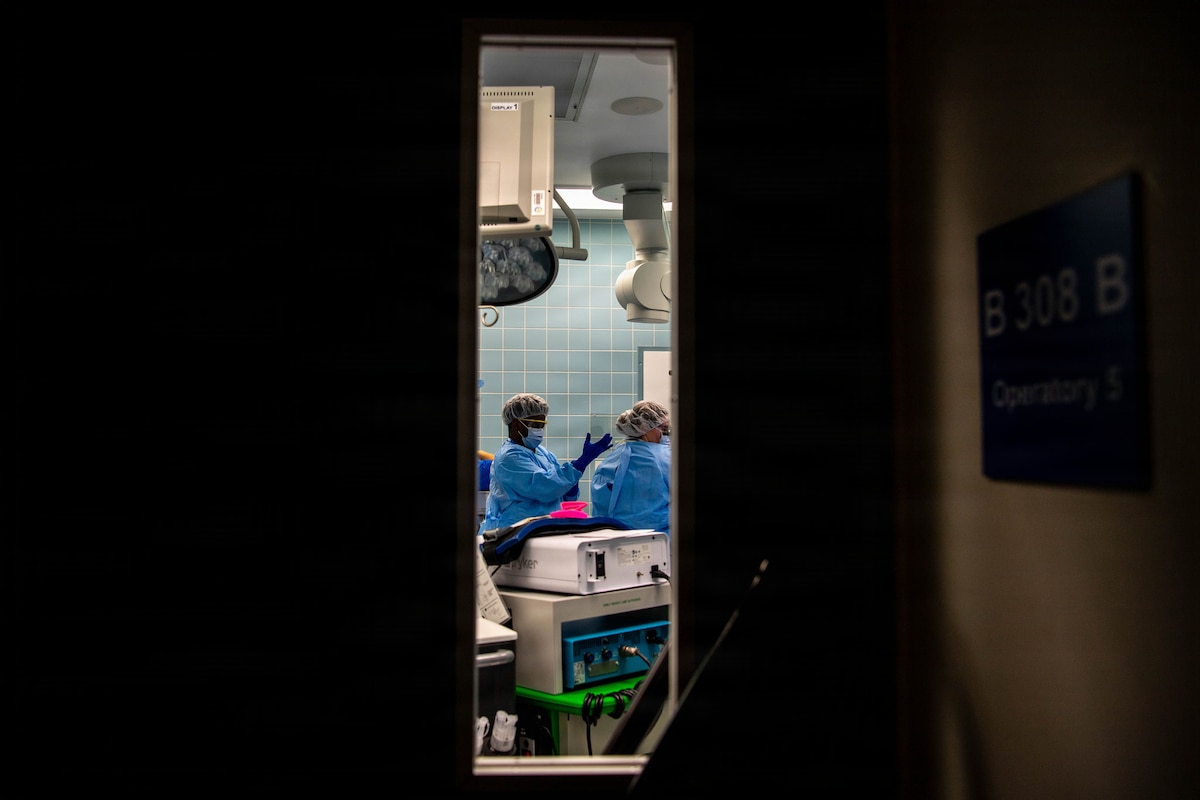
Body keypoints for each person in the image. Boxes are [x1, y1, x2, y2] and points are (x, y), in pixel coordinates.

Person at [478, 393, 612, 534]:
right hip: (511, 533)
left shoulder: (542, 453)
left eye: (542, 425)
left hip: (537, 529)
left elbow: (559, 490)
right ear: (516, 423)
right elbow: (545, 487)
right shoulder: (509, 457)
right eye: (535, 425)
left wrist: (571, 486)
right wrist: (581, 463)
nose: (540, 430)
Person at [590, 400, 671, 534]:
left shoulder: (613, 457)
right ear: (646, 428)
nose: (665, 434)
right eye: (662, 428)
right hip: (659, 536)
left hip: (617, 535)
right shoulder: (663, 457)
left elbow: (601, 503)